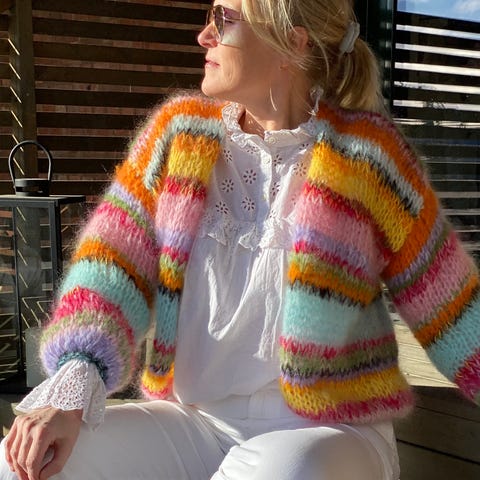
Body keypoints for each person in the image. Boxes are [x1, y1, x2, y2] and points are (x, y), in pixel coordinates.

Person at [1, 0, 479, 479]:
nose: (204, 36)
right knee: (24, 462)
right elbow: (109, 269)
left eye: (222, 18)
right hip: (194, 423)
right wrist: (72, 386)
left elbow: (449, 304)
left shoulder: (368, 155)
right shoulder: (177, 135)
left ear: (291, 40)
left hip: (329, 432)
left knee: (283, 471)